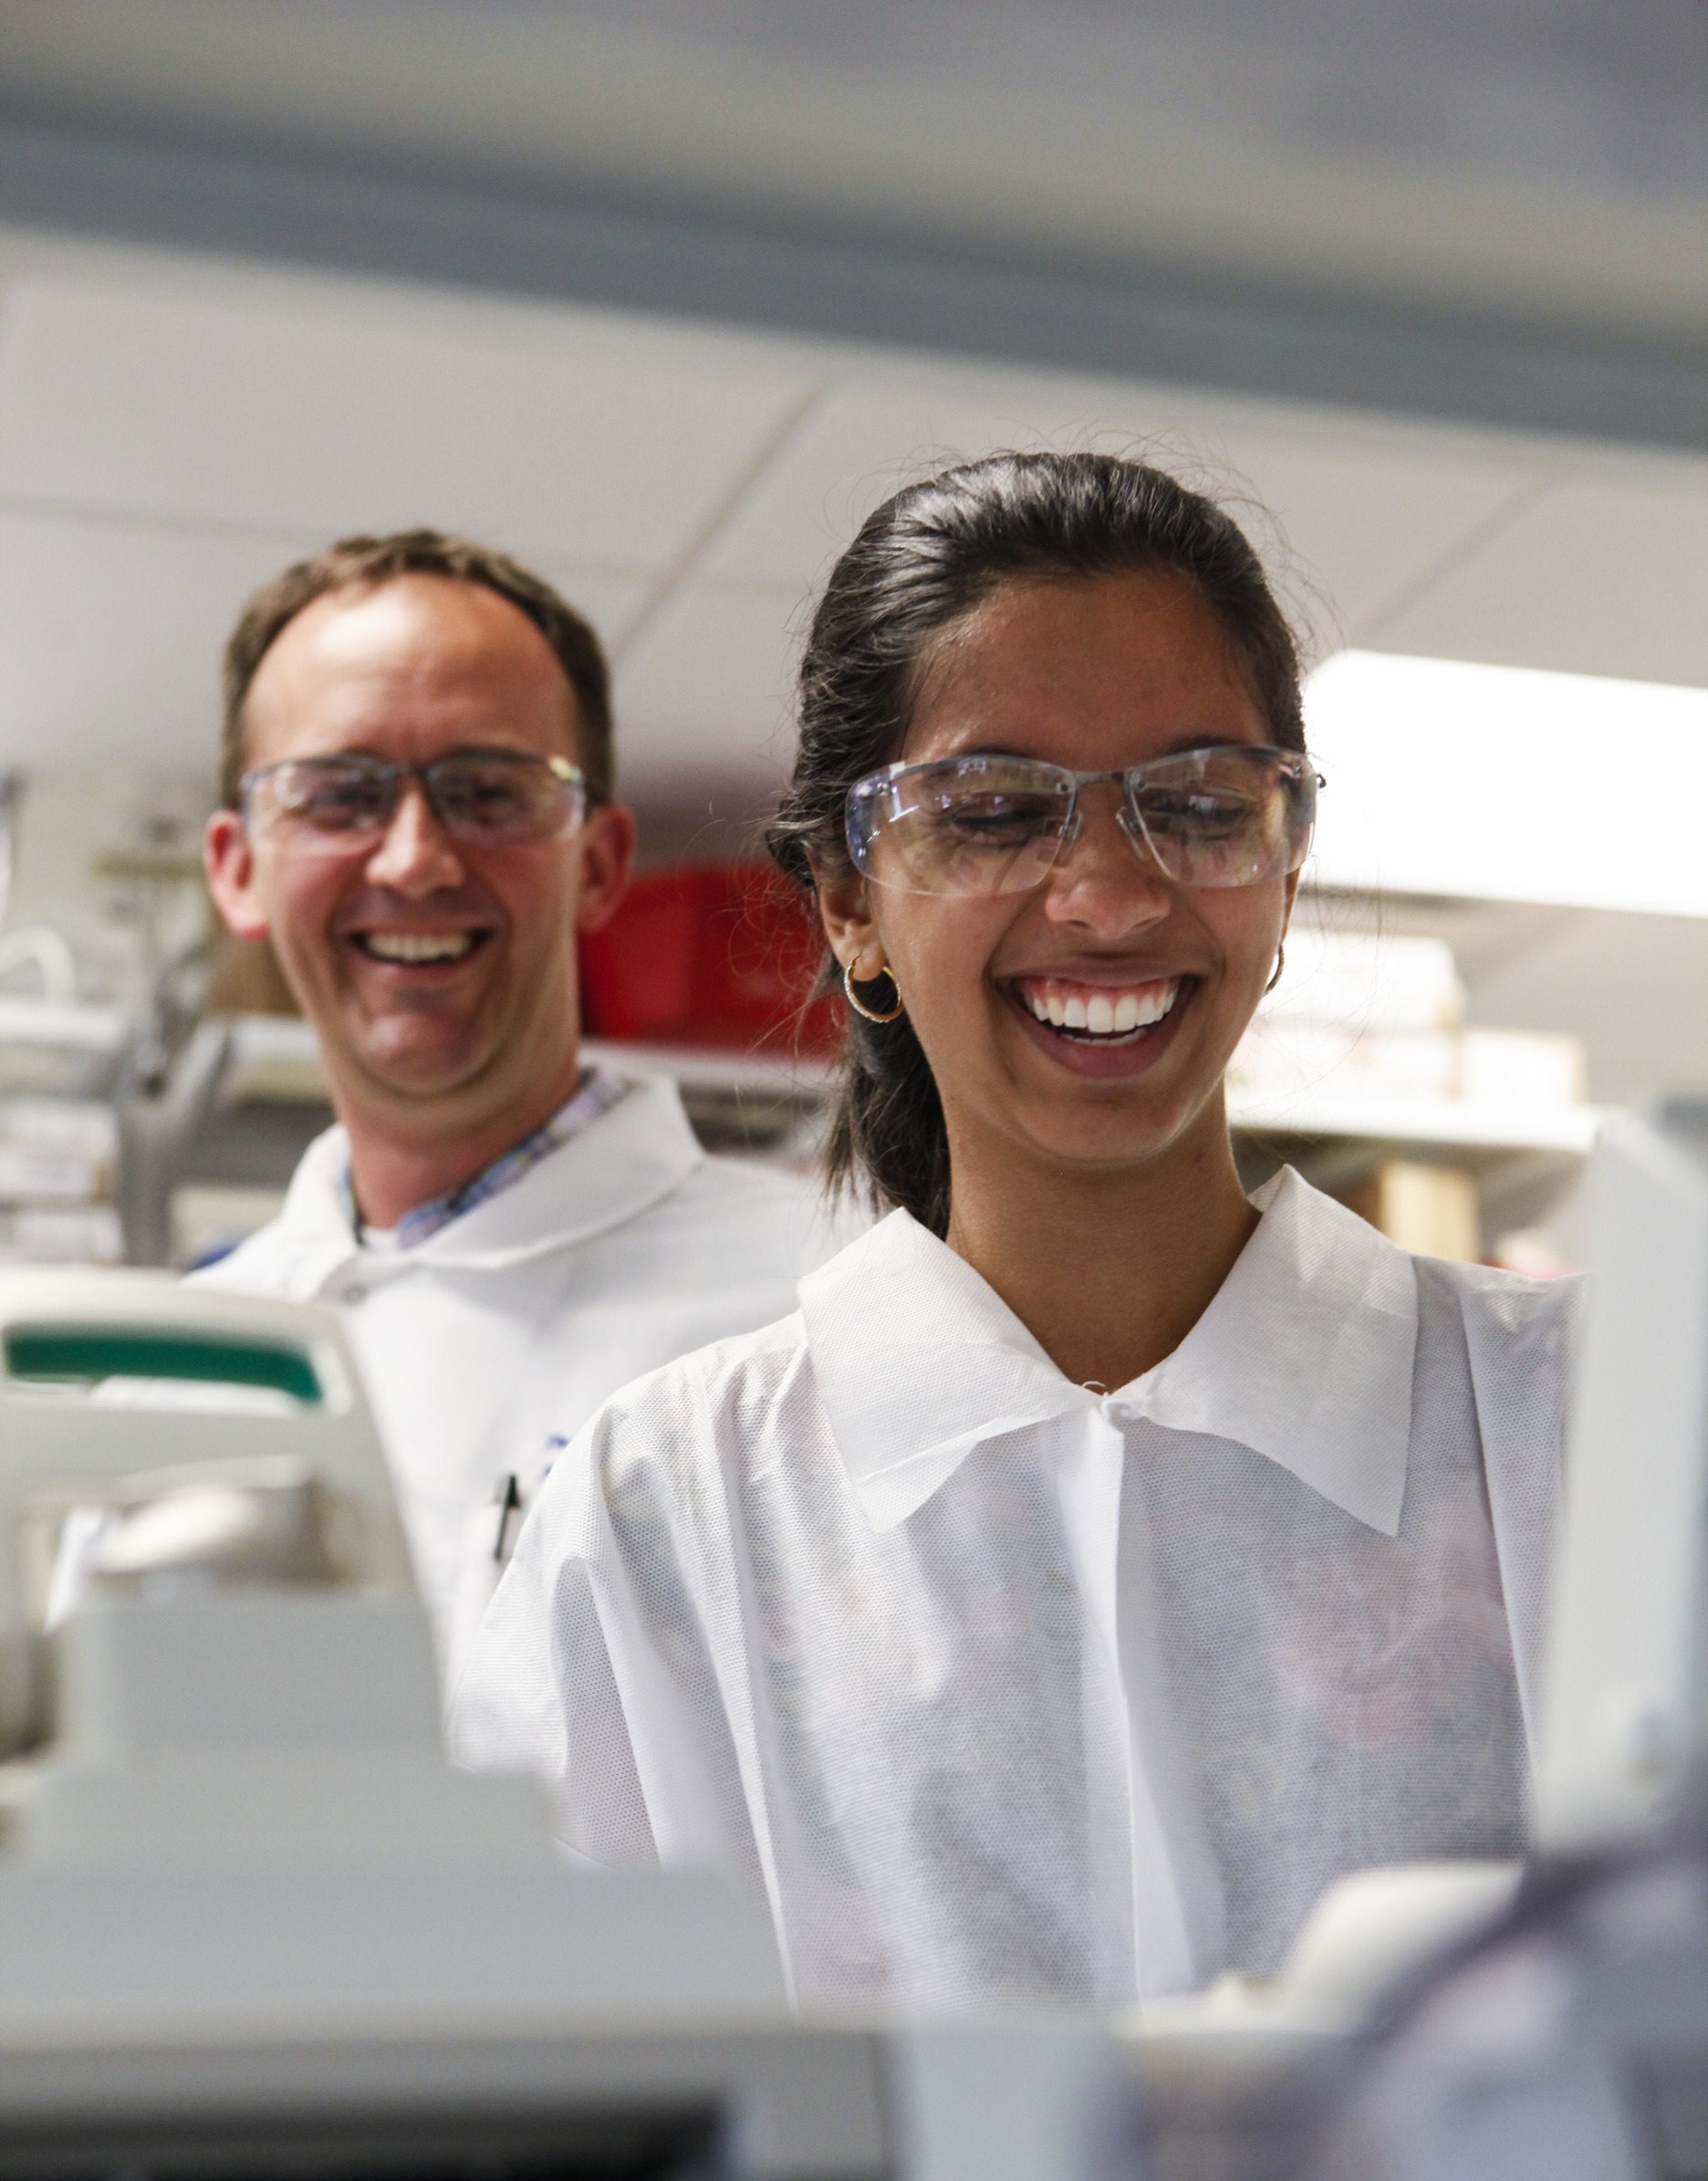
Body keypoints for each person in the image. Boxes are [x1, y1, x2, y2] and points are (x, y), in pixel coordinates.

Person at [454, 454, 1571, 2008]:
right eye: (991, 813)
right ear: (848, 897)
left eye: (1194, 804)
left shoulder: (1569, 1429)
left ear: (1286, 861)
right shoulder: (666, 1515)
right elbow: (534, 2087)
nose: (1109, 896)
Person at [199, 528, 837, 1677]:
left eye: (488, 792)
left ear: (598, 863)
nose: (413, 861)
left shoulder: (825, 1303)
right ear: (238, 868)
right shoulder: (171, 1365)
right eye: (338, 795)